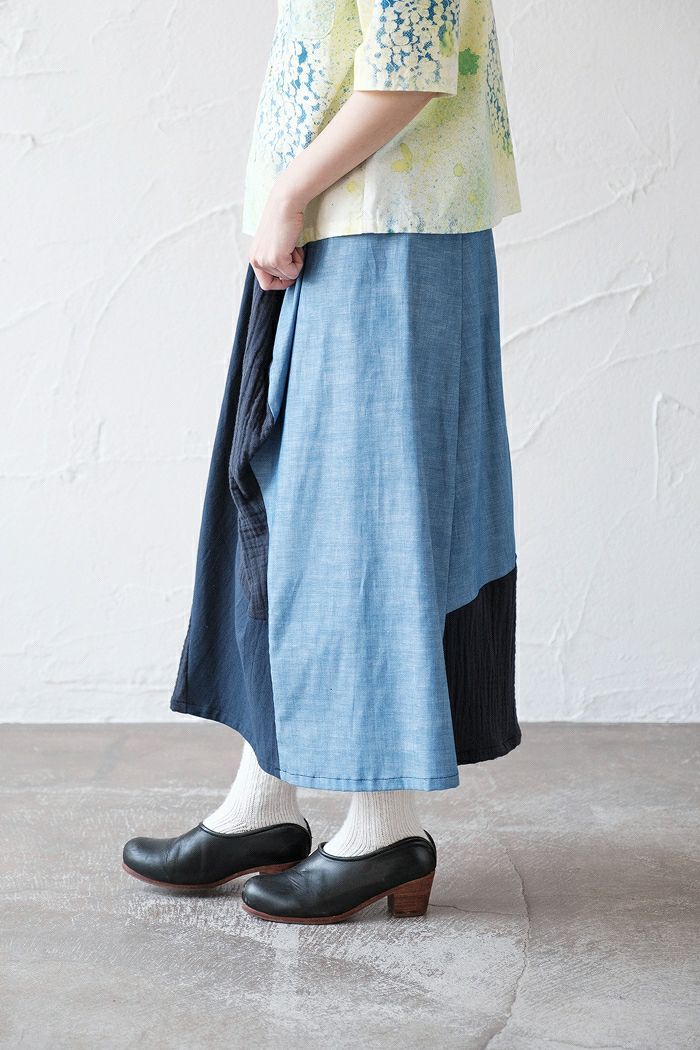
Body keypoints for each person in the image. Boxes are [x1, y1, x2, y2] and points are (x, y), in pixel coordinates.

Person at [122, 0, 522, 924]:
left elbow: (410, 67)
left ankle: (384, 829)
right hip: (346, 226)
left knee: (366, 531)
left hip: (395, 232)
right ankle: (263, 802)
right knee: (291, 515)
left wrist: (288, 194)